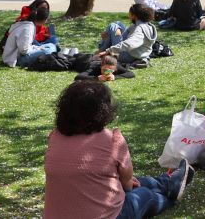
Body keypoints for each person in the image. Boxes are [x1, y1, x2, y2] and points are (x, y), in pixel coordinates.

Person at [44, 81, 190, 219]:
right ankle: (171, 194)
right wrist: (125, 183)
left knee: (135, 181)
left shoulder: (54, 137)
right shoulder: (113, 139)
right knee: (144, 195)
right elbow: (126, 184)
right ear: (103, 110)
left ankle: (167, 182)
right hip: (109, 215)